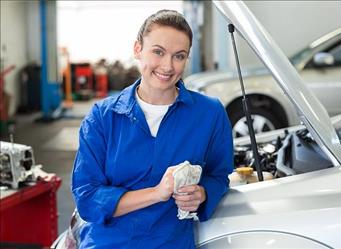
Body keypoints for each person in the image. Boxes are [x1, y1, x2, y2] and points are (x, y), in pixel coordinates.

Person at [72, 9, 234, 249]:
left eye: (179, 56)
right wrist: (158, 193)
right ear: (138, 49)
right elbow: (87, 198)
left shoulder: (209, 114)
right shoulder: (102, 117)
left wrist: (203, 193)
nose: (168, 66)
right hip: (108, 243)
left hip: (171, 243)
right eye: (158, 52)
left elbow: (220, 175)